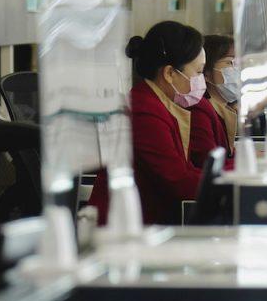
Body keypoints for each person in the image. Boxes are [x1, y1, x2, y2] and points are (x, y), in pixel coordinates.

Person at [90, 21, 205, 225]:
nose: (200, 80)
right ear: (169, 73)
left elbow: (183, 171)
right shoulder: (144, 112)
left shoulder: (155, 102)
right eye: (198, 72)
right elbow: (178, 181)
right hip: (125, 229)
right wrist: (228, 182)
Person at [190, 34, 237, 163]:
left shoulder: (224, 108)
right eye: (229, 62)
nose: (236, 69)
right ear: (206, 73)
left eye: (238, 63)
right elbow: (209, 163)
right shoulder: (199, 111)